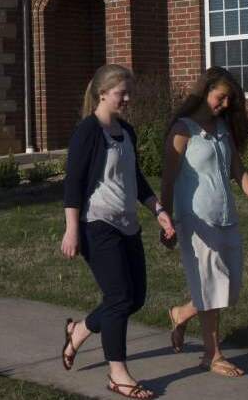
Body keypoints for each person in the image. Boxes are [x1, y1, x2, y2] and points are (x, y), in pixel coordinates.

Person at [60, 64, 176, 400]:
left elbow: (134, 178)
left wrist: (159, 211)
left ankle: (79, 331)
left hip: (128, 225)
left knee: (134, 298)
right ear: (102, 93)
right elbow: (73, 183)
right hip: (98, 225)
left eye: (128, 92)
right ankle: (118, 374)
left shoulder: (126, 131)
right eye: (121, 93)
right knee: (119, 298)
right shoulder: (88, 131)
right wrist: (71, 230)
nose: (127, 98)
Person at [160, 67, 248, 377]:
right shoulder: (182, 131)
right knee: (212, 286)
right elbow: (168, 180)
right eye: (220, 97)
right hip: (195, 219)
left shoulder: (222, 127)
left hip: (225, 216)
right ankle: (212, 356)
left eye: (229, 100)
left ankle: (181, 314)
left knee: (230, 286)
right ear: (205, 91)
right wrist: (165, 219)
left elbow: (237, 168)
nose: (224, 104)